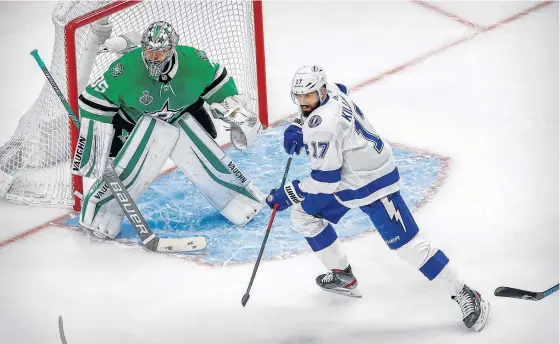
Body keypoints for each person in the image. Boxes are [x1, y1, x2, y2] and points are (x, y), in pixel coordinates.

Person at [265, 65, 490, 331]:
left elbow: (326, 182)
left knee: (409, 247)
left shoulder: (322, 128)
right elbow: (342, 90)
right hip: (349, 182)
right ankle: (343, 277)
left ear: (322, 91)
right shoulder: (332, 92)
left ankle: (466, 294)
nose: (303, 101)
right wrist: (298, 124)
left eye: (309, 96)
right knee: (305, 216)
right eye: (299, 96)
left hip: (373, 183)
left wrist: (289, 192)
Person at [73, 21, 264, 241]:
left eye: (159, 53)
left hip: (181, 113)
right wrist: (96, 146)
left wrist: (233, 108)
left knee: (202, 147)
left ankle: (235, 198)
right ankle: (102, 212)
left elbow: (216, 81)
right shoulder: (125, 69)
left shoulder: (194, 60)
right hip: (131, 124)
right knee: (127, 168)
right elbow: (93, 101)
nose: (152, 58)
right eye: (148, 52)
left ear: (172, 50)